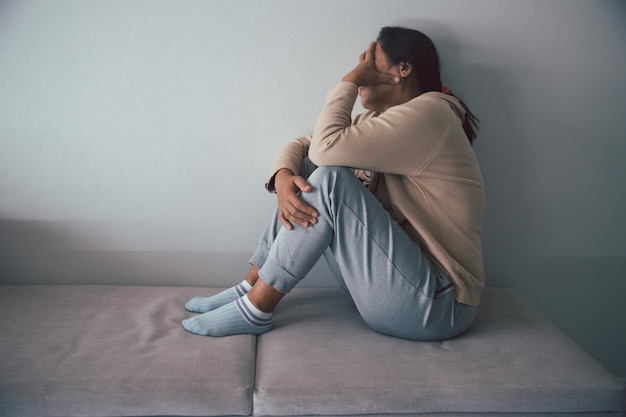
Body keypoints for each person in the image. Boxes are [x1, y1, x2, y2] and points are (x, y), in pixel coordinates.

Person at [183, 26, 485, 341]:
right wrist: (284, 178)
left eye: (370, 62)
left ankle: (257, 308)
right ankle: (250, 286)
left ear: (403, 69)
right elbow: (305, 146)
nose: (361, 70)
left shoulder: (431, 115)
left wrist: (350, 81)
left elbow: (326, 147)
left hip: (440, 304)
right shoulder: (382, 121)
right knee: (309, 168)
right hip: (402, 286)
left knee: (329, 179)